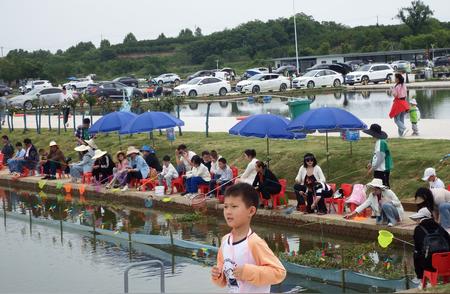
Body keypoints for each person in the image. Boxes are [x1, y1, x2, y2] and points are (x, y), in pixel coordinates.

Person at [211, 183, 286, 293]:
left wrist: (248, 272)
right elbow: (224, 276)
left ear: (251, 211)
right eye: (225, 206)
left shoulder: (254, 243)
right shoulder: (225, 241)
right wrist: (218, 275)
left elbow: (279, 272)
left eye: (234, 206)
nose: (228, 211)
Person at [411, 207, 450, 284]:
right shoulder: (439, 227)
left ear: (421, 219)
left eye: (417, 219)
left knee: (416, 253)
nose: (416, 221)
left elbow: (418, 249)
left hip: (429, 265)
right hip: (446, 264)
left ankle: (420, 277)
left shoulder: (418, 229)